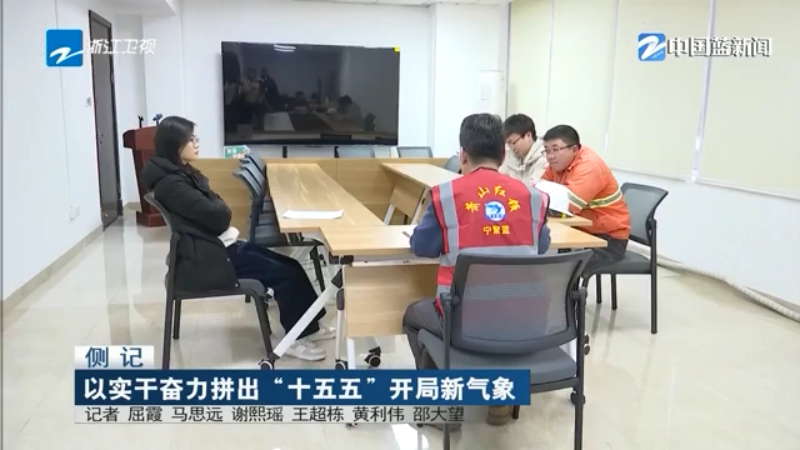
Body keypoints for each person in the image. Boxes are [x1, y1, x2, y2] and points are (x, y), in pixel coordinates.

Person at [141, 116, 335, 361]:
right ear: (174, 145)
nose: (196, 144)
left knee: (291, 265)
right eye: (190, 140)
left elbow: (215, 209)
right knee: (287, 275)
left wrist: (218, 207)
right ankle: (294, 340)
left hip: (215, 245)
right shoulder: (172, 184)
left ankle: (308, 327)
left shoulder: (179, 173)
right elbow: (218, 216)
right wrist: (219, 206)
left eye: (195, 138)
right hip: (209, 257)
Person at [402, 113, 552, 427]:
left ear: (463, 155)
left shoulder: (445, 195)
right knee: (503, 312)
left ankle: (443, 408)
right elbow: (541, 245)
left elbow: (422, 247)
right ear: (503, 155)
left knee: (414, 316)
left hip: (464, 321)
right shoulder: (534, 197)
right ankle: (499, 403)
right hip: (527, 320)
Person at [540, 125, 630, 274]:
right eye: (547, 150)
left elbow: (568, 207)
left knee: (557, 267)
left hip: (608, 240)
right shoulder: (559, 164)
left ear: (574, 149)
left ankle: (563, 290)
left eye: (555, 149)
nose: (550, 156)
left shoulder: (589, 166)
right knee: (542, 253)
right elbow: (539, 191)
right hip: (581, 231)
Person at [500, 114, 547, 184]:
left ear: (528, 136)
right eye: (507, 144)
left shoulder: (544, 159)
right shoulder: (510, 155)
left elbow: (534, 188)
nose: (511, 148)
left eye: (512, 142)